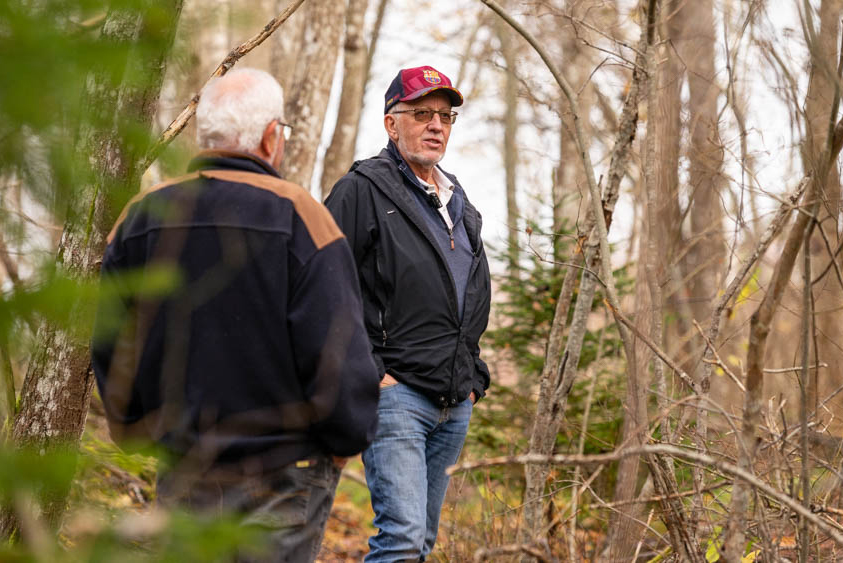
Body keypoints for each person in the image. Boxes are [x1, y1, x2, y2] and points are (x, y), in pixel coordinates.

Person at [91, 67, 380, 562]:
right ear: (271, 137)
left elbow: (111, 339)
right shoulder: (301, 216)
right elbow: (336, 346)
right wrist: (346, 437)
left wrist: (134, 428)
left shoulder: (142, 217)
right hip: (286, 469)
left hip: (185, 464)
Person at [324, 65, 492, 562]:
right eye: (421, 114)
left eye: (445, 116)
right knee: (400, 537)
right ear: (391, 123)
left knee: (420, 543)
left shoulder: (459, 203)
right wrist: (370, 371)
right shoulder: (361, 190)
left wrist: (473, 375)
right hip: (395, 395)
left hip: (454, 398)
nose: (436, 125)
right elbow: (324, 286)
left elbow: (470, 292)